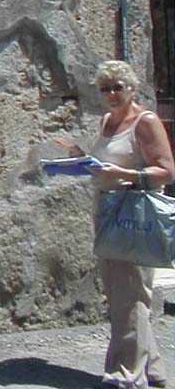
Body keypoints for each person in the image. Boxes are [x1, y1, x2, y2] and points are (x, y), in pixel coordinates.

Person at [67, 60, 174, 388]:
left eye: (117, 87)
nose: (111, 94)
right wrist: (80, 159)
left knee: (131, 295)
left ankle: (125, 373)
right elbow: (108, 163)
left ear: (132, 88)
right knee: (122, 293)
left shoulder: (145, 121)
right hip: (108, 213)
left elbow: (167, 171)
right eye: (105, 89)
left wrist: (124, 175)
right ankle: (152, 369)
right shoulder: (107, 122)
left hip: (134, 217)